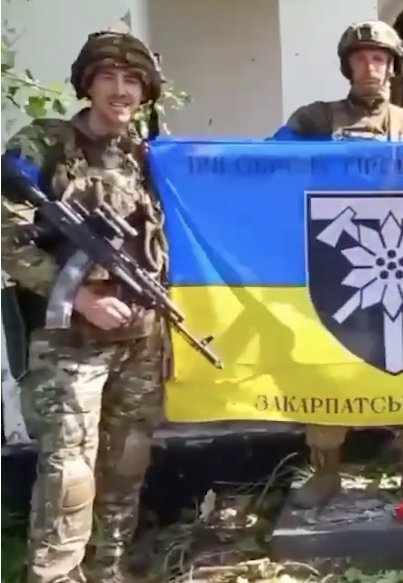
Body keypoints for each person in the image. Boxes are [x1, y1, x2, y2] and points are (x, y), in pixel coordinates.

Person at [2, 31, 167, 582]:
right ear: (88, 85)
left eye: (132, 81)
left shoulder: (147, 154)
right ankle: (54, 574)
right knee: (69, 471)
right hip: (68, 341)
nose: (121, 91)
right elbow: (7, 236)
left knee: (126, 461)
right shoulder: (44, 144)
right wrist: (76, 294)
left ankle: (107, 569)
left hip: (139, 336)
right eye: (108, 78)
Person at [277, 20, 403, 507]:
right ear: (348, 66)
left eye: (379, 58)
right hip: (336, 261)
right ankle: (326, 472)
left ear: (393, 67)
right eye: (361, 58)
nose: (370, 67)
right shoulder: (315, 119)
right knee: (327, 363)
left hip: (401, 260)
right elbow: (267, 160)